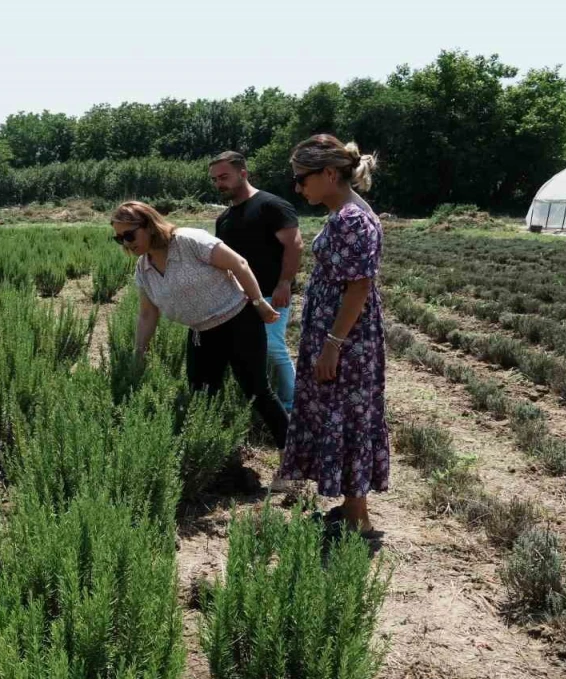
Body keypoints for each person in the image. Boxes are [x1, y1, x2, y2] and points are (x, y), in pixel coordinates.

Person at [274, 134, 389, 535]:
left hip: (347, 342)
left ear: (328, 173)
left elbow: (358, 288)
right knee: (342, 417)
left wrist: (332, 346)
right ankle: (352, 509)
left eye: (302, 178)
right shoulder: (345, 213)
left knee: (349, 418)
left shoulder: (351, 219)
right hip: (340, 338)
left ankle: (358, 523)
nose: (298, 186)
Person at [112, 200, 289, 443]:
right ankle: (211, 451)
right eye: (119, 239)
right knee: (200, 397)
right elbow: (147, 314)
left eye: (129, 235)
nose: (126, 243)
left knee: (256, 391)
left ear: (150, 226)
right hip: (201, 333)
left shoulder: (188, 241)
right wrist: (139, 353)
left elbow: (239, 264)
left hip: (239, 321)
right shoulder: (144, 269)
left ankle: (290, 454)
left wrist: (259, 302)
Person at [210, 151, 304, 414]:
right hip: (237, 298)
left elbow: (295, 246)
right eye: (215, 179)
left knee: (273, 347)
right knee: (244, 351)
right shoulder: (224, 219)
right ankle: (259, 401)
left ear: (243, 173)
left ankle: (290, 403)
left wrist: (285, 283)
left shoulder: (271, 206)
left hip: (272, 293)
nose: (219, 183)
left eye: (224, 176)